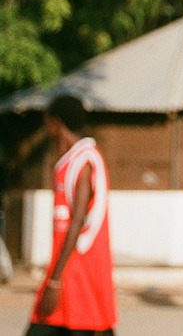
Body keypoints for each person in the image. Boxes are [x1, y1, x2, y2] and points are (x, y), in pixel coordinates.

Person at [26, 94, 117, 336]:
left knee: (64, 327)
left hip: (78, 269)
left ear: (56, 122)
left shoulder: (84, 160)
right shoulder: (69, 160)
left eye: (46, 120)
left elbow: (77, 220)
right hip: (66, 266)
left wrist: (55, 280)